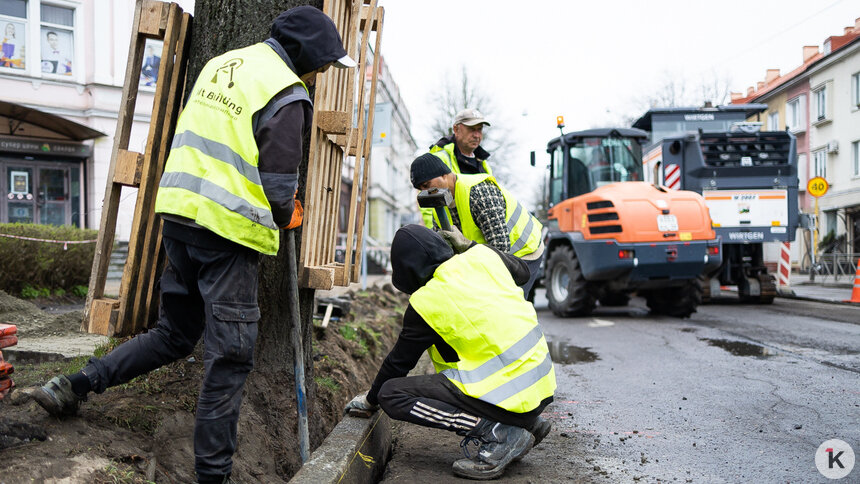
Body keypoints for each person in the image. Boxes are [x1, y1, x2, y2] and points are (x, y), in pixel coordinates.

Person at [32, 7, 356, 484]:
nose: (322, 72)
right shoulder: (287, 93)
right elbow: (278, 188)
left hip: (180, 217)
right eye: (324, 63)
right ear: (306, 54)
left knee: (174, 335)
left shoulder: (223, 64)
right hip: (225, 234)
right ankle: (213, 477)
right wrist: (289, 214)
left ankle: (74, 384)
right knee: (229, 358)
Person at [344, 224, 556, 480]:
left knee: (392, 394)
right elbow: (522, 271)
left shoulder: (427, 301)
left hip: (511, 393)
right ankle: (526, 422)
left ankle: (499, 434)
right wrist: (470, 245)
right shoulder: (482, 257)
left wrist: (371, 400)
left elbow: (398, 364)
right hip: (541, 386)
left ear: (407, 272)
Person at [411, 153, 545, 298]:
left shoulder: (478, 192)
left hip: (522, 251)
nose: (424, 192)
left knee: (508, 303)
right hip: (489, 253)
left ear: (443, 175)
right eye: (420, 188)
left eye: (426, 185)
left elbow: (500, 248)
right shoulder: (439, 205)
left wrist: (467, 247)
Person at [421, 108, 492, 227]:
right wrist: (437, 237)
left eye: (479, 129)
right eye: (471, 129)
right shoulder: (439, 159)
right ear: (456, 129)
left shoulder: (485, 165)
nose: (476, 135)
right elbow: (428, 204)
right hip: (452, 236)